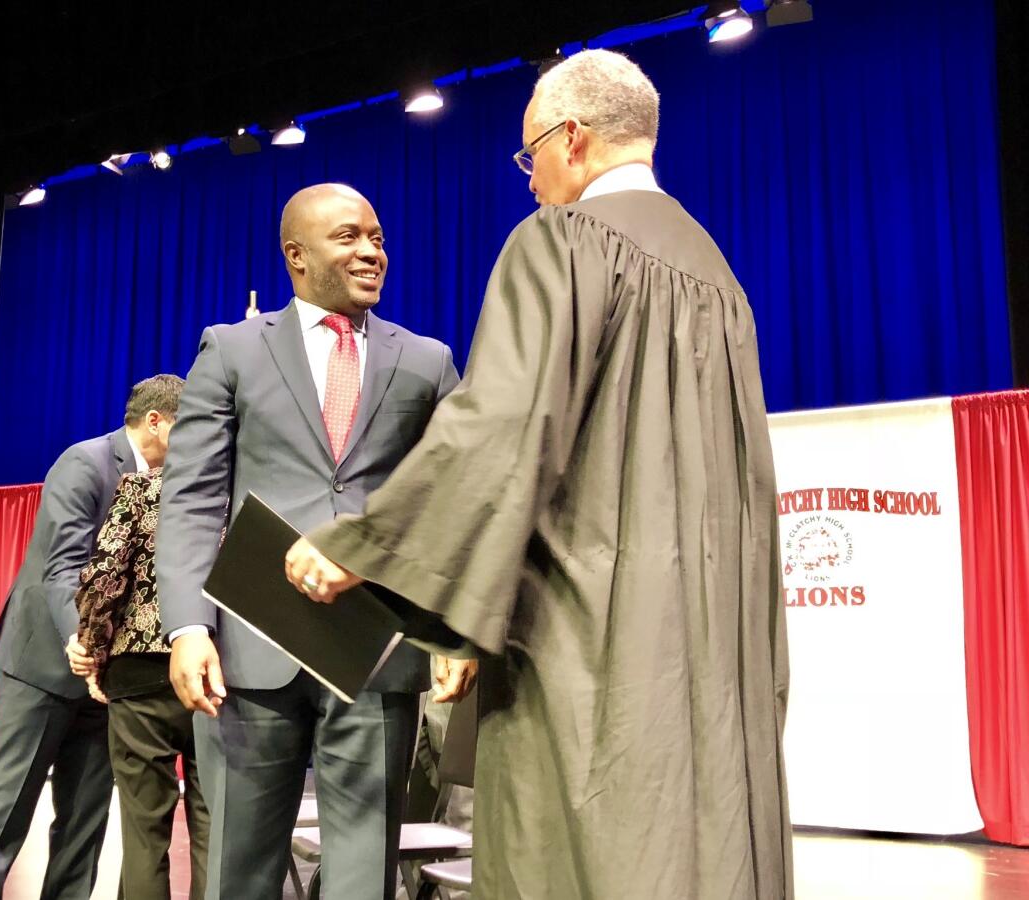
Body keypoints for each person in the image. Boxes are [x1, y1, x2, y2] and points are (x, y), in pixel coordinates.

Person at [284, 50, 793, 899]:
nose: (528, 182)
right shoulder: (718, 277)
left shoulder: (563, 241)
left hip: (590, 635)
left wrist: (363, 546)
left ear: (574, 138)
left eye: (530, 157)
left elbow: (504, 426)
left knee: (584, 846)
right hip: (711, 632)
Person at [155, 183, 475, 900]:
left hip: (377, 653)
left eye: (379, 238)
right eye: (350, 237)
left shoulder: (424, 360)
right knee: (239, 867)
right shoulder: (232, 350)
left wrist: (454, 631)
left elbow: (458, 499)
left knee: (364, 875)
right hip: (244, 657)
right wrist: (186, 628)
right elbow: (194, 499)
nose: (371, 252)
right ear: (296, 255)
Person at [0, 374, 184, 900]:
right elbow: (63, 568)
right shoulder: (86, 463)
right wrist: (80, 639)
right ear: (156, 422)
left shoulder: (173, 482)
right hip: (46, 667)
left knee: (84, 823)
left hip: (108, 683)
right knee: (4, 812)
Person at [67, 442, 211, 900]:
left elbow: (104, 576)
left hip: (139, 676)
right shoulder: (233, 492)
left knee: (144, 833)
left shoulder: (143, 488)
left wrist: (92, 651)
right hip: (216, 676)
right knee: (215, 831)